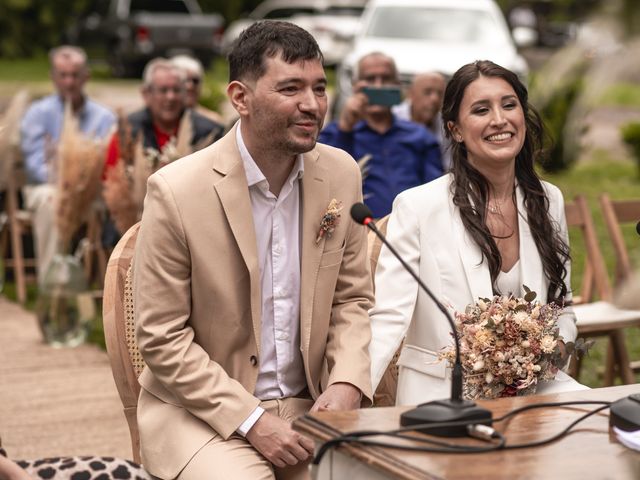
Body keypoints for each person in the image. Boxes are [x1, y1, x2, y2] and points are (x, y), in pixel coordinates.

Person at [133, 21, 374, 480]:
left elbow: (352, 300)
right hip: (201, 415)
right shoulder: (176, 190)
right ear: (240, 98)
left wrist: (346, 382)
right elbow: (162, 338)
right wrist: (251, 419)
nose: (312, 105)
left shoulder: (340, 174)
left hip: (313, 405)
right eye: (290, 88)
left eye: (320, 88)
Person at [368, 60, 587, 406]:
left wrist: (549, 353)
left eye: (509, 105)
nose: (499, 120)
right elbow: (389, 316)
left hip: (535, 390)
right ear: (455, 129)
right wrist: (350, 396)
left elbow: (564, 309)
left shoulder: (548, 201)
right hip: (444, 396)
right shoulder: (417, 206)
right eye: (481, 110)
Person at [20, 45, 116, 284]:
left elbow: (107, 163)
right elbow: (34, 165)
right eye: (63, 75)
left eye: (75, 75)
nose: (69, 82)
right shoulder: (37, 113)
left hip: (90, 193)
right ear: (53, 77)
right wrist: (65, 184)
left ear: (86, 76)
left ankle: (109, 285)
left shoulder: (104, 117)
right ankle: (53, 286)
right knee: (51, 201)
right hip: (47, 188)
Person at [102, 58, 224, 240]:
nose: (170, 97)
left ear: (185, 94)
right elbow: (110, 178)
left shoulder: (209, 131)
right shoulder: (127, 129)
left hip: (192, 224)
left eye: (176, 90)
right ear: (146, 94)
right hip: (134, 224)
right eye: (163, 90)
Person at [319, 52, 443, 219]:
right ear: (356, 86)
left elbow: (437, 192)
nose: (378, 86)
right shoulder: (336, 132)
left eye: (386, 79)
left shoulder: (420, 136)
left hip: (413, 229)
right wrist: (346, 128)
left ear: (398, 87)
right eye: (370, 79)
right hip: (359, 232)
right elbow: (326, 182)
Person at [392, 71, 452, 170]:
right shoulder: (393, 118)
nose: (435, 99)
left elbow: (448, 167)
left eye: (440, 94)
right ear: (410, 94)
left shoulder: (447, 127)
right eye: (428, 92)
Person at [170, 54, 225, 126]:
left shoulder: (214, 121)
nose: (190, 86)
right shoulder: (158, 121)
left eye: (195, 81)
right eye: (184, 80)